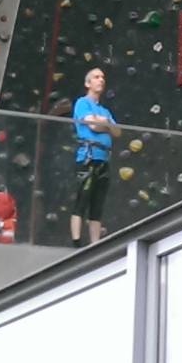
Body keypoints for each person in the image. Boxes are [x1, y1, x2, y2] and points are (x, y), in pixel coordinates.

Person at [69, 67, 120, 247]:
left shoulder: (104, 110)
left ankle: (95, 244)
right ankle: (76, 242)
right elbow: (93, 126)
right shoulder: (82, 103)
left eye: (102, 77)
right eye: (96, 77)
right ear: (88, 83)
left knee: (97, 204)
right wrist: (105, 124)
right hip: (87, 157)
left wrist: (103, 123)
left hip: (103, 159)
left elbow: (117, 131)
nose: (101, 80)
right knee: (82, 199)